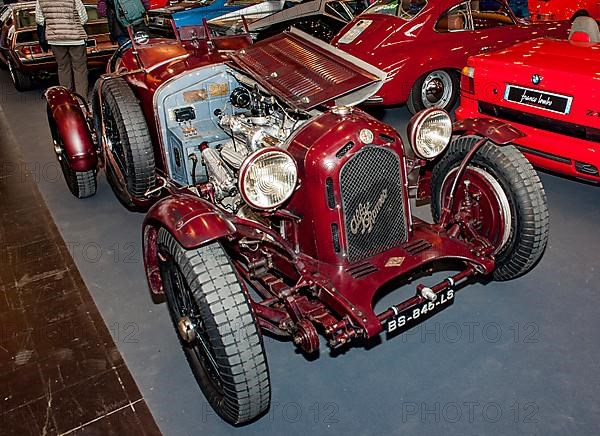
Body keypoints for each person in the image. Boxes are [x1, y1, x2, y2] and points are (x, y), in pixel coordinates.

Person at [35, 0, 89, 97]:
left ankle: (67, 98)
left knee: (63, 68)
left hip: (55, 39)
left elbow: (39, 20)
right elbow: (83, 18)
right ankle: (81, 99)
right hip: (75, 38)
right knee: (80, 69)